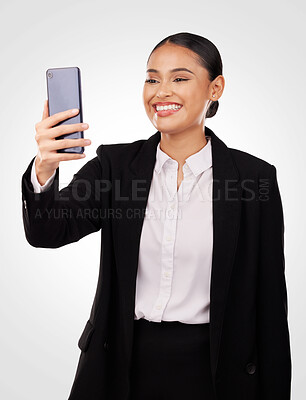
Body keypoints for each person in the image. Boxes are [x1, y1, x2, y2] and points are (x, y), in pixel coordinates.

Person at [21, 32, 292, 400]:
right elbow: (48, 231)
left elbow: (271, 305)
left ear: (215, 88)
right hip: (121, 366)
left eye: (179, 78)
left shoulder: (253, 179)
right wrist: (45, 168)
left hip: (216, 371)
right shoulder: (114, 167)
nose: (160, 91)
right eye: (152, 78)